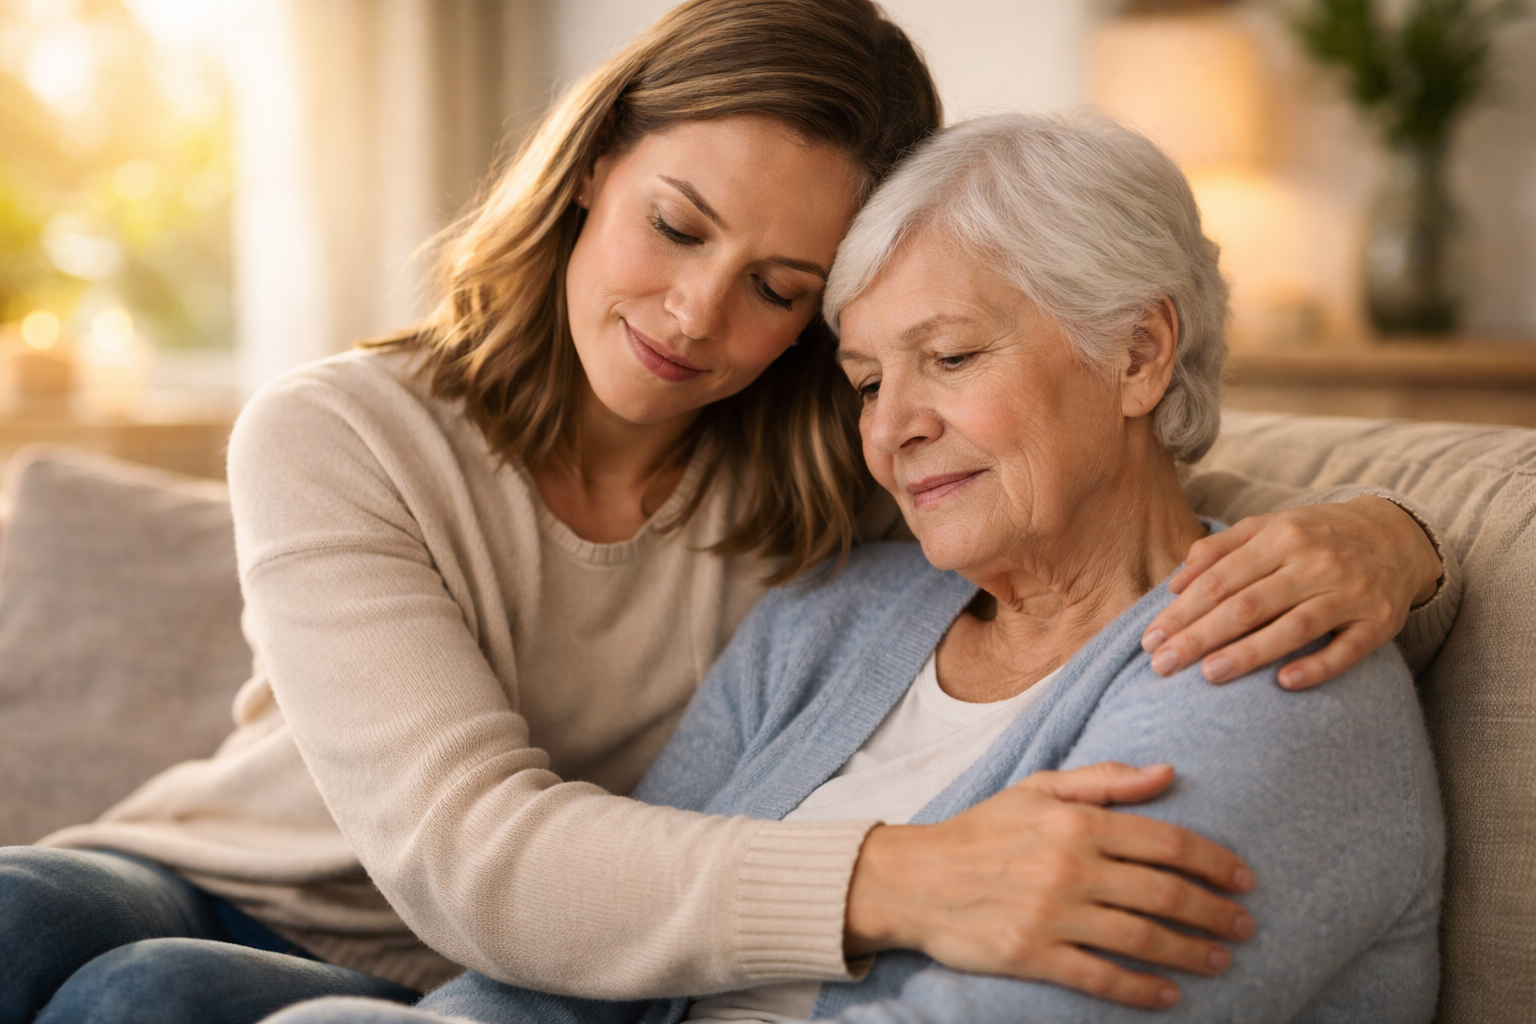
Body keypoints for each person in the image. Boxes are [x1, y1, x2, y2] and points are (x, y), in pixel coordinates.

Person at [0, 4, 1450, 1023]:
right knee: (47, 930)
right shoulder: (341, 433)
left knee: (150, 1006)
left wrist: (1400, 538)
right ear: (590, 174)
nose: (698, 315)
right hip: (307, 890)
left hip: (545, 954)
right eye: (679, 226)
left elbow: (1118, 481)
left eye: (784, 292)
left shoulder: (841, 464)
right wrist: (897, 874)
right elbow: (473, 863)